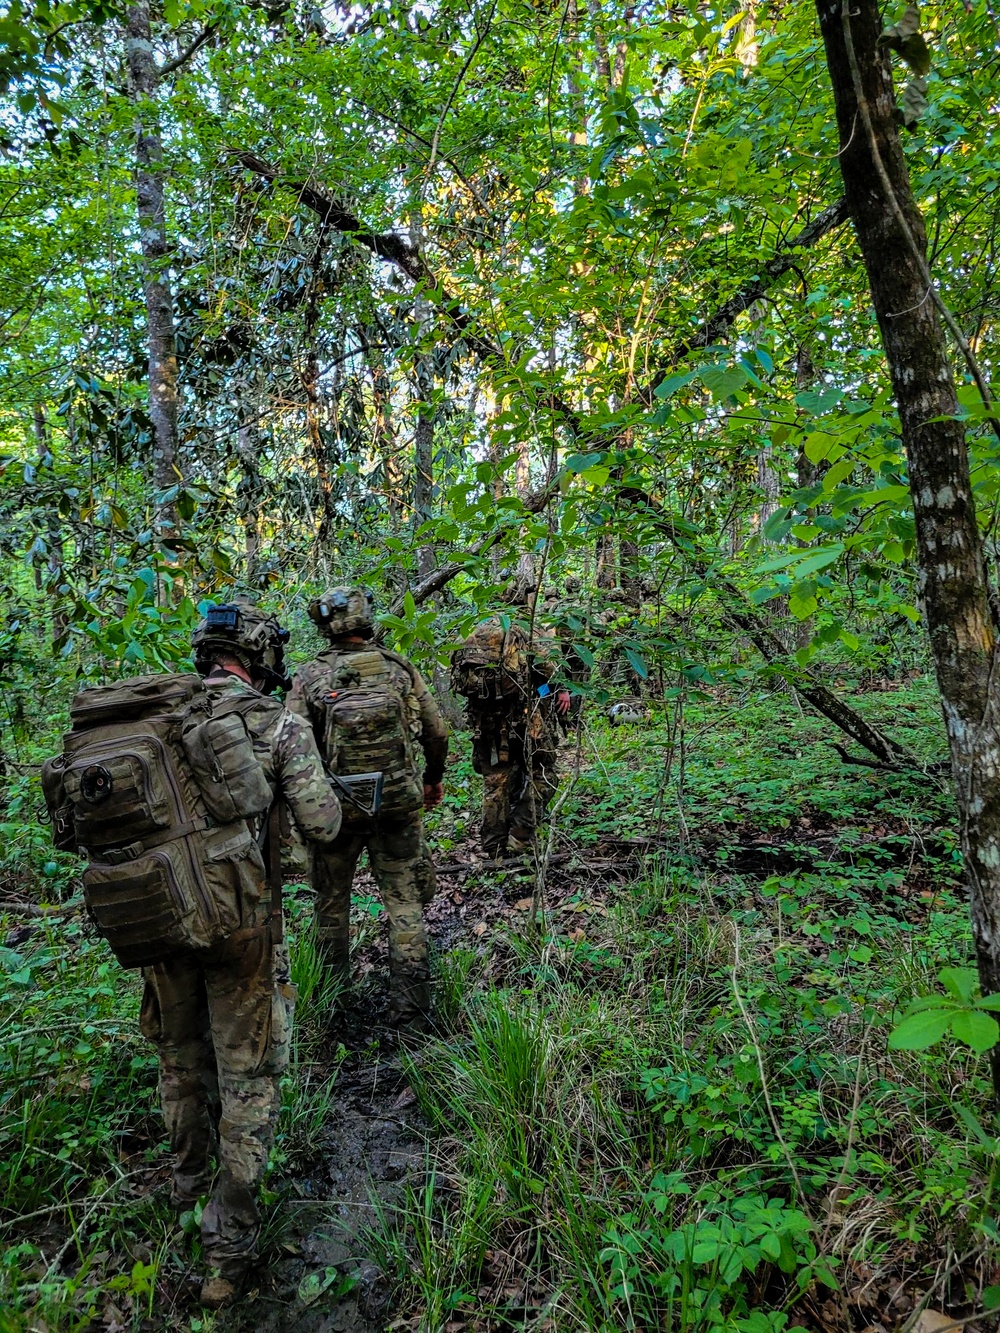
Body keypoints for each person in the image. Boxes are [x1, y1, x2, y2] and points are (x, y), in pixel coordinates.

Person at [140, 601, 343, 1309]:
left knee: (180, 1063)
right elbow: (322, 822)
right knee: (248, 1079)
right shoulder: (276, 721)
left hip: (163, 926)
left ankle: (182, 1198)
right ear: (257, 653)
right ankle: (227, 1249)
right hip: (244, 929)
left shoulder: (155, 719)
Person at [287, 587, 449, 1028]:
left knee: (330, 904)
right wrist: (432, 779)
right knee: (405, 903)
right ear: (366, 619)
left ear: (323, 626)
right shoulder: (399, 670)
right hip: (397, 805)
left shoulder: (308, 677)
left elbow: (291, 750)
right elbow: (436, 731)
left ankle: (332, 1007)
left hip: (335, 812)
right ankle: (411, 1012)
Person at [450, 591, 571, 859]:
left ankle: (492, 847)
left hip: (485, 721)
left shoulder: (470, 627)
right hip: (525, 719)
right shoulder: (525, 626)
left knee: (495, 783)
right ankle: (520, 836)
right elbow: (548, 669)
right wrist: (554, 691)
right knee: (544, 773)